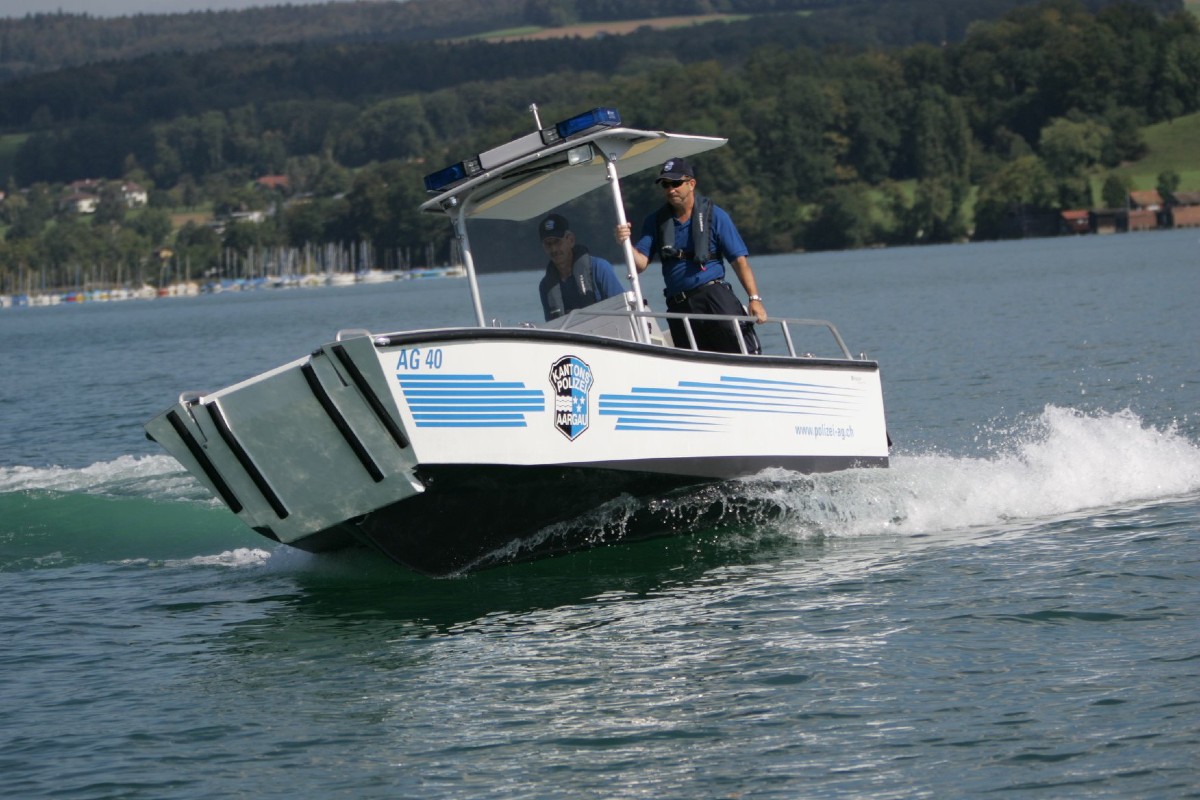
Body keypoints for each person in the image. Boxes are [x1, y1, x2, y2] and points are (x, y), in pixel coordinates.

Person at [615, 156, 765, 354]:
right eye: (666, 185)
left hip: (713, 298)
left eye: (676, 183)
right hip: (679, 305)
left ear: (691, 184)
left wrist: (754, 299)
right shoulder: (655, 221)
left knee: (742, 353)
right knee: (694, 363)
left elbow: (739, 262)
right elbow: (639, 265)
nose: (671, 189)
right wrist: (625, 243)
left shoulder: (715, 216)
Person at [537, 213, 625, 321]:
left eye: (557, 241)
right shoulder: (545, 286)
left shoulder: (599, 268)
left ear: (571, 240)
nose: (554, 249)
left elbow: (623, 310)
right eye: (548, 244)